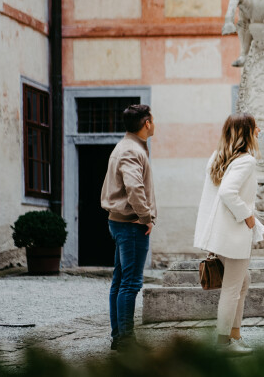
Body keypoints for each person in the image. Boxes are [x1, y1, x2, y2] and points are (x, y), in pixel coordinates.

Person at [193, 113, 260, 355]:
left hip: (220, 235)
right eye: (255, 127)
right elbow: (228, 193)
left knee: (243, 283)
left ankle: (234, 336)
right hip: (233, 234)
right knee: (233, 288)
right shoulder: (246, 161)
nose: (259, 131)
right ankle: (224, 343)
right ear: (246, 132)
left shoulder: (218, 158)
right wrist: (249, 217)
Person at [101, 104, 156, 351]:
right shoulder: (132, 150)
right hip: (131, 225)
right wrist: (146, 217)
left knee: (120, 281)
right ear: (147, 123)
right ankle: (126, 341)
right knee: (130, 283)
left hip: (120, 223)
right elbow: (134, 188)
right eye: (153, 120)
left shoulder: (126, 147)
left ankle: (118, 337)